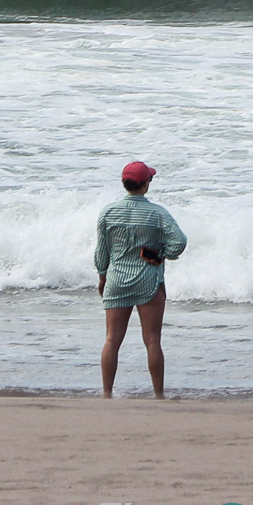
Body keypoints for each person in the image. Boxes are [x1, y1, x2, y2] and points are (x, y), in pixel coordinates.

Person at [95, 161, 186, 399]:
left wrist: (102, 277)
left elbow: (101, 253)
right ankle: (158, 394)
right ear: (145, 185)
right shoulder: (158, 213)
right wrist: (162, 254)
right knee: (153, 340)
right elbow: (180, 241)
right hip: (148, 279)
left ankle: (106, 393)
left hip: (116, 279)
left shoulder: (108, 212)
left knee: (112, 339)